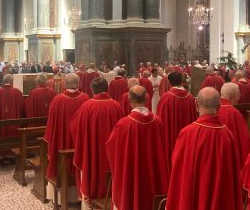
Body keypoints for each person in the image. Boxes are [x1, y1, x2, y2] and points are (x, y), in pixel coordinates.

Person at [167, 87, 243, 209]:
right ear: (219, 107)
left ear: (196, 104)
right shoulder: (228, 135)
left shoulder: (186, 133)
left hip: (192, 197)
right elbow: (232, 174)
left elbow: (177, 165)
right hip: (220, 199)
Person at [106, 85, 169, 210]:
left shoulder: (123, 124)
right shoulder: (157, 121)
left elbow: (111, 147)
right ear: (146, 99)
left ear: (129, 101)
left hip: (131, 174)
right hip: (153, 173)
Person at [70, 77, 125, 207]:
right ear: (107, 88)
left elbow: (74, 127)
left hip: (92, 152)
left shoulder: (87, 106)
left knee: (91, 173)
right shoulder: (116, 105)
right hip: (112, 155)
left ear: (92, 89)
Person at [44, 73, 89, 202]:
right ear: (78, 84)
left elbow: (51, 126)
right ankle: (80, 194)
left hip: (60, 145)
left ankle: (59, 197)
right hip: (80, 145)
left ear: (64, 84)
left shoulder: (57, 100)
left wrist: (50, 139)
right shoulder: (86, 99)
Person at [156, 71, 197, 165]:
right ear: (181, 81)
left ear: (169, 82)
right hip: (187, 138)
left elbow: (161, 121)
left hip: (171, 138)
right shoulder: (190, 97)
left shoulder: (166, 98)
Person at [218, 82, 250, 163]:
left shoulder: (213, 108)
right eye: (239, 94)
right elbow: (244, 141)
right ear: (233, 96)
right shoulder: (235, 113)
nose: (240, 96)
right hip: (230, 157)